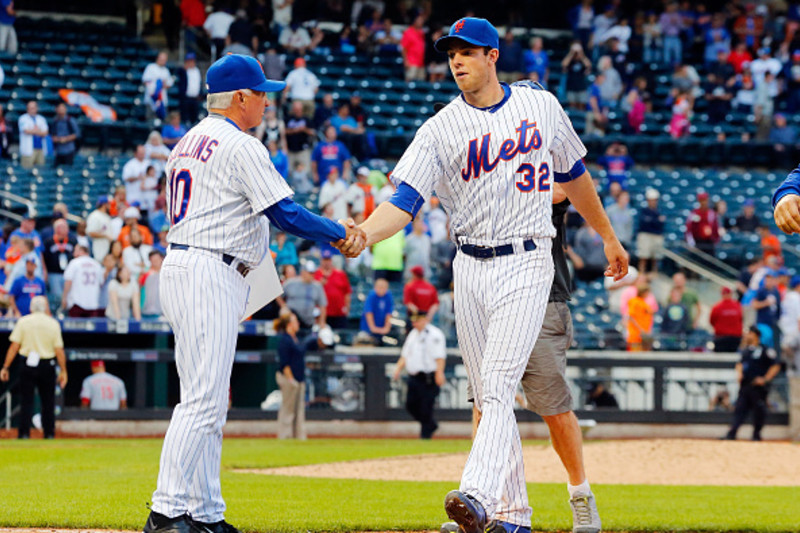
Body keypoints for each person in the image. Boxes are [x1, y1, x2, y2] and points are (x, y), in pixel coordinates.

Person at [338, 18, 626, 533]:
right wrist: (364, 231)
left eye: (467, 50)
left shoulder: (539, 104)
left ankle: (475, 492)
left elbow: (575, 176)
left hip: (528, 257)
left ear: (492, 56)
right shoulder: (439, 128)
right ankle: (513, 517)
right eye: (450, 52)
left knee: (496, 386)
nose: (456, 59)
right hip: (469, 266)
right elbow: (403, 202)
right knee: (484, 390)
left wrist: (607, 235)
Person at [143, 54, 363, 533]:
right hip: (209, 268)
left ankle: (204, 513)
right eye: (262, 92)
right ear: (240, 96)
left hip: (186, 264)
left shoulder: (185, 142)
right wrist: (335, 230)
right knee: (202, 400)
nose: (267, 101)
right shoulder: (239, 145)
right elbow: (284, 213)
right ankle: (166, 511)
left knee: (206, 399)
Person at [0, 296, 67, 439]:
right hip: (47, 365)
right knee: (48, 402)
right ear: (46, 308)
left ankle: (24, 433)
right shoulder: (52, 323)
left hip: (28, 365)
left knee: (26, 401)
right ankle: (49, 433)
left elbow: (14, 347)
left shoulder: (23, 322)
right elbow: (59, 350)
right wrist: (63, 370)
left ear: (31, 308)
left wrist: (5, 367)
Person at [393, 311, 446, 438]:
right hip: (414, 376)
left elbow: (439, 356)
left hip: (429, 377)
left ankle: (425, 435)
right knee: (410, 404)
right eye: (413, 321)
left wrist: (439, 373)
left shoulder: (435, 334)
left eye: (417, 321)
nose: (414, 323)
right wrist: (398, 369)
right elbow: (405, 355)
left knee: (426, 407)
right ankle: (431, 425)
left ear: (424, 320)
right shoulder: (413, 334)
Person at [723, 326, 781, 441]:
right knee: (739, 409)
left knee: (759, 411)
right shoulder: (745, 350)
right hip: (745, 385)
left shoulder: (765, 350)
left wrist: (765, 379)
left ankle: (756, 435)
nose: (746, 335)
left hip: (758, 387)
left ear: (755, 335)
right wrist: (739, 374)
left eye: (748, 333)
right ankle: (732, 433)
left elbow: (776, 365)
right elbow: (739, 364)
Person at [274, 312, 308, 440]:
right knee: (288, 410)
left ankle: (299, 436)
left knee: (299, 410)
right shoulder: (285, 340)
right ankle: (285, 436)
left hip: (299, 378)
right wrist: (290, 379)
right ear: (289, 324)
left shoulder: (296, 339)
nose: (298, 324)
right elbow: (285, 363)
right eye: (295, 321)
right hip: (289, 379)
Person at [279, 260, 327, 330]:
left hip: (308, 321)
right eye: (310, 273)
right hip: (292, 321)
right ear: (303, 272)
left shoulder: (317, 286)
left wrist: (322, 322)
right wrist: (283, 305)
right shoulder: (291, 283)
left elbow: (322, 306)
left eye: (313, 273)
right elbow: (278, 295)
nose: (312, 275)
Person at [41, 219, 77, 310]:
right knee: (57, 296)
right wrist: (45, 271)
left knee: (69, 295)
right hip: (54, 273)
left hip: (68, 274)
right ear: (57, 229)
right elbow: (43, 258)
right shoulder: (49, 242)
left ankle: (65, 313)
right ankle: (57, 313)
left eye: (66, 227)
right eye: (64, 227)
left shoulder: (72, 241)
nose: (67, 229)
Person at [313, 249, 351, 329]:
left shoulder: (340, 274)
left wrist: (347, 308)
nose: (326, 262)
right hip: (323, 314)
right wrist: (319, 284)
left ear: (331, 260)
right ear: (321, 260)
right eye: (324, 259)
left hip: (339, 313)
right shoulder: (316, 274)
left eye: (328, 259)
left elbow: (347, 292)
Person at [709, 286, 743, 352]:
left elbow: (712, 321)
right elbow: (741, 319)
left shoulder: (717, 307)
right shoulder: (737, 306)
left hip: (722, 338)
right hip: (734, 338)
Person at [686, 191, 719, 256]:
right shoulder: (694, 213)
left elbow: (715, 228)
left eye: (705, 200)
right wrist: (691, 243)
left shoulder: (711, 213)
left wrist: (715, 240)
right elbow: (688, 230)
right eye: (702, 200)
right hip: (697, 242)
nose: (703, 202)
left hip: (709, 242)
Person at [142, 51, 173, 121]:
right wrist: (156, 86)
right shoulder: (150, 67)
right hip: (151, 100)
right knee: (150, 121)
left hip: (162, 100)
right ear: (158, 58)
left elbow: (169, 84)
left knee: (163, 121)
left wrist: (163, 84)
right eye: (161, 59)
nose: (163, 61)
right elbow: (145, 81)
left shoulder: (166, 70)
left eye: (165, 60)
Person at [85, 196, 117, 262]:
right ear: (104, 204)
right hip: (98, 249)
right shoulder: (95, 216)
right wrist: (105, 236)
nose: (110, 206)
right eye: (108, 204)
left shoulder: (106, 216)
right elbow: (91, 233)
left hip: (107, 249)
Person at [18, 101, 48, 168]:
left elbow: (45, 132)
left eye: (33, 108)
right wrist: (38, 131)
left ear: (36, 108)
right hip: (28, 149)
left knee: (41, 169)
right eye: (30, 108)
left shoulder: (41, 119)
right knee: (27, 169)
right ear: (27, 109)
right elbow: (26, 131)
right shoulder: (23, 118)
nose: (32, 110)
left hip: (40, 148)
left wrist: (33, 131)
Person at [177, 53, 202, 125]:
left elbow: (199, 83)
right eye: (189, 61)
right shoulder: (184, 70)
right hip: (186, 98)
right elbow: (178, 73)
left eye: (192, 61)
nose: (191, 63)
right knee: (185, 118)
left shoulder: (197, 71)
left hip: (195, 98)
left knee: (194, 117)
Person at [139, 250, 164, 319]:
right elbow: (138, 289)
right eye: (153, 260)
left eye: (157, 259)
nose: (155, 261)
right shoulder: (145, 273)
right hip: (145, 311)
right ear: (150, 260)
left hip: (162, 311)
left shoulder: (166, 273)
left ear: (162, 259)